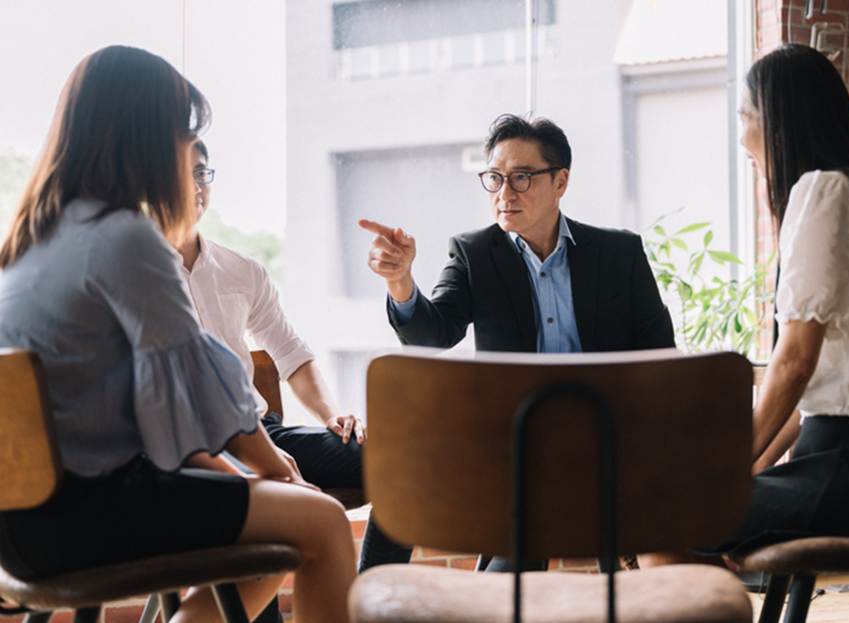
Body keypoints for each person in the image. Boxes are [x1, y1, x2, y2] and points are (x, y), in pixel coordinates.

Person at [0, 46, 355, 623]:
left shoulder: (28, 245)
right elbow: (199, 389)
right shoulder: (124, 239)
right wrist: (276, 468)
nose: (190, 150)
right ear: (144, 136)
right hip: (88, 514)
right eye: (185, 134)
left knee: (294, 514)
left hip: (21, 523)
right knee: (323, 522)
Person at [643, 43, 849, 567]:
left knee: (652, 516)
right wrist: (753, 470)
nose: (741, 136)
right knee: (688, 516)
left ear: (777, 119)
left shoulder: (823, 191)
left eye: (745, 115)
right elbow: (823, 393)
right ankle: (730, 567)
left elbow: (796, 361)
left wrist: (726, 471)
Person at [361, 113, 675, 571]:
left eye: (522, 178)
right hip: (513, 443)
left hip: (605, 437)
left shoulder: (618, 254)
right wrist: (402, 283)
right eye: (494, 178)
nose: (504, 194)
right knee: (404, 474)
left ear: (560, 181)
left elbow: (660, 355)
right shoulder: (474, 253)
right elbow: (433, 333)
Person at [175, 140, 411, 622]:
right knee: (270, 518)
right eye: (183, 174)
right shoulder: (138, 273)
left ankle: (365, 604)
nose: (197, 187)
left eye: (203, 173)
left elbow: (291, 355)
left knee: (398, 464)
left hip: (262, 431)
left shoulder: (241, 271)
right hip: (191, 449)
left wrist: (331, 414)